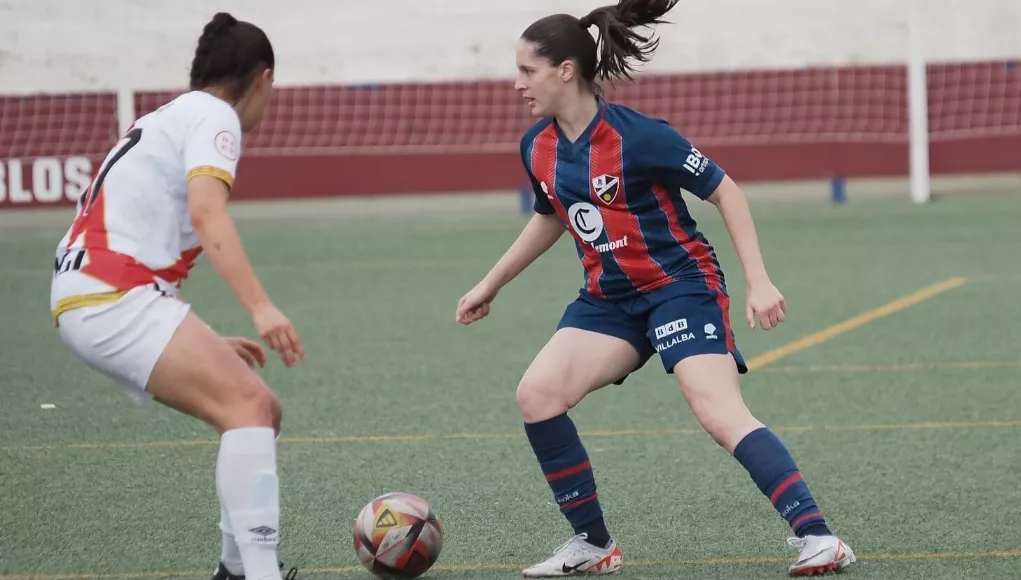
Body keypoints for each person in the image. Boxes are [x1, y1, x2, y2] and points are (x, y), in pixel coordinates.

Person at [455, 0, 855, 576]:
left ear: (566, 69)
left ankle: (819, 537)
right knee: (536, 395)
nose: (517, 83)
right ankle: (593, 546)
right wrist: (489, 284)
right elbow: (551, 216)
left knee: (717, 412)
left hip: (680, 288)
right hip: (609, 300)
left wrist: (758, 281)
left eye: (527, 71)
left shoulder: (640, 137)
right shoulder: (536, 146)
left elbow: (726, 191)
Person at [49, 12, 303, 580]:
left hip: (91, 289)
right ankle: (257, 573)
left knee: (259, 410)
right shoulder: (217, 117)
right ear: (262, 79)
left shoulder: (168, 115)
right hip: (110, 294)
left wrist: (203, 337)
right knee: (250, 408)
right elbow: (206, 212)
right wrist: (262, 307)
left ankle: (239, 570)